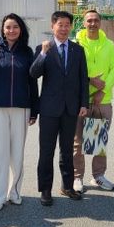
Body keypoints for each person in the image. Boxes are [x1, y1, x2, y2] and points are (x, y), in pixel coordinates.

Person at [0, 13, 38, 210]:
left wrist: (34, 110)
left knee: (17, 154)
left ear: (21, 29)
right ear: (3, 30)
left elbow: (32, 82)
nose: (11, 30)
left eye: (15, 27)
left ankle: (15, 193)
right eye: (8, 27)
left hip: (22, 107)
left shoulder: (27, 52)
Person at [30, 11, 89, 206]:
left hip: (71, 109)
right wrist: (43, 54)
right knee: (46, 151)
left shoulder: (77, 50)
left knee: (67, 150)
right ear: (52, 26)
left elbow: (83, 79)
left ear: (71, 27)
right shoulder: (43, 48)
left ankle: (67, 186)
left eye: (67, 25)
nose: (63, 28)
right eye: (60, 24)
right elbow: (33, 73)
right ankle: (45, 190)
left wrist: (84, 103)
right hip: (49, 109)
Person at [72, 10, 114, 192]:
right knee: (78, 142)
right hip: (80, 100)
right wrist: (91, 80)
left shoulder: (109, 44)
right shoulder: (76, 43)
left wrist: (103, 90)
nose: (92, 23)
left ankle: (98, 176)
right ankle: (77, 177)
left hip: (102, 100)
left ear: (100, 22)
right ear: (84, 23)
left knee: (99, 140)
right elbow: (73, 70)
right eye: (89, 20)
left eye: (96, 20)